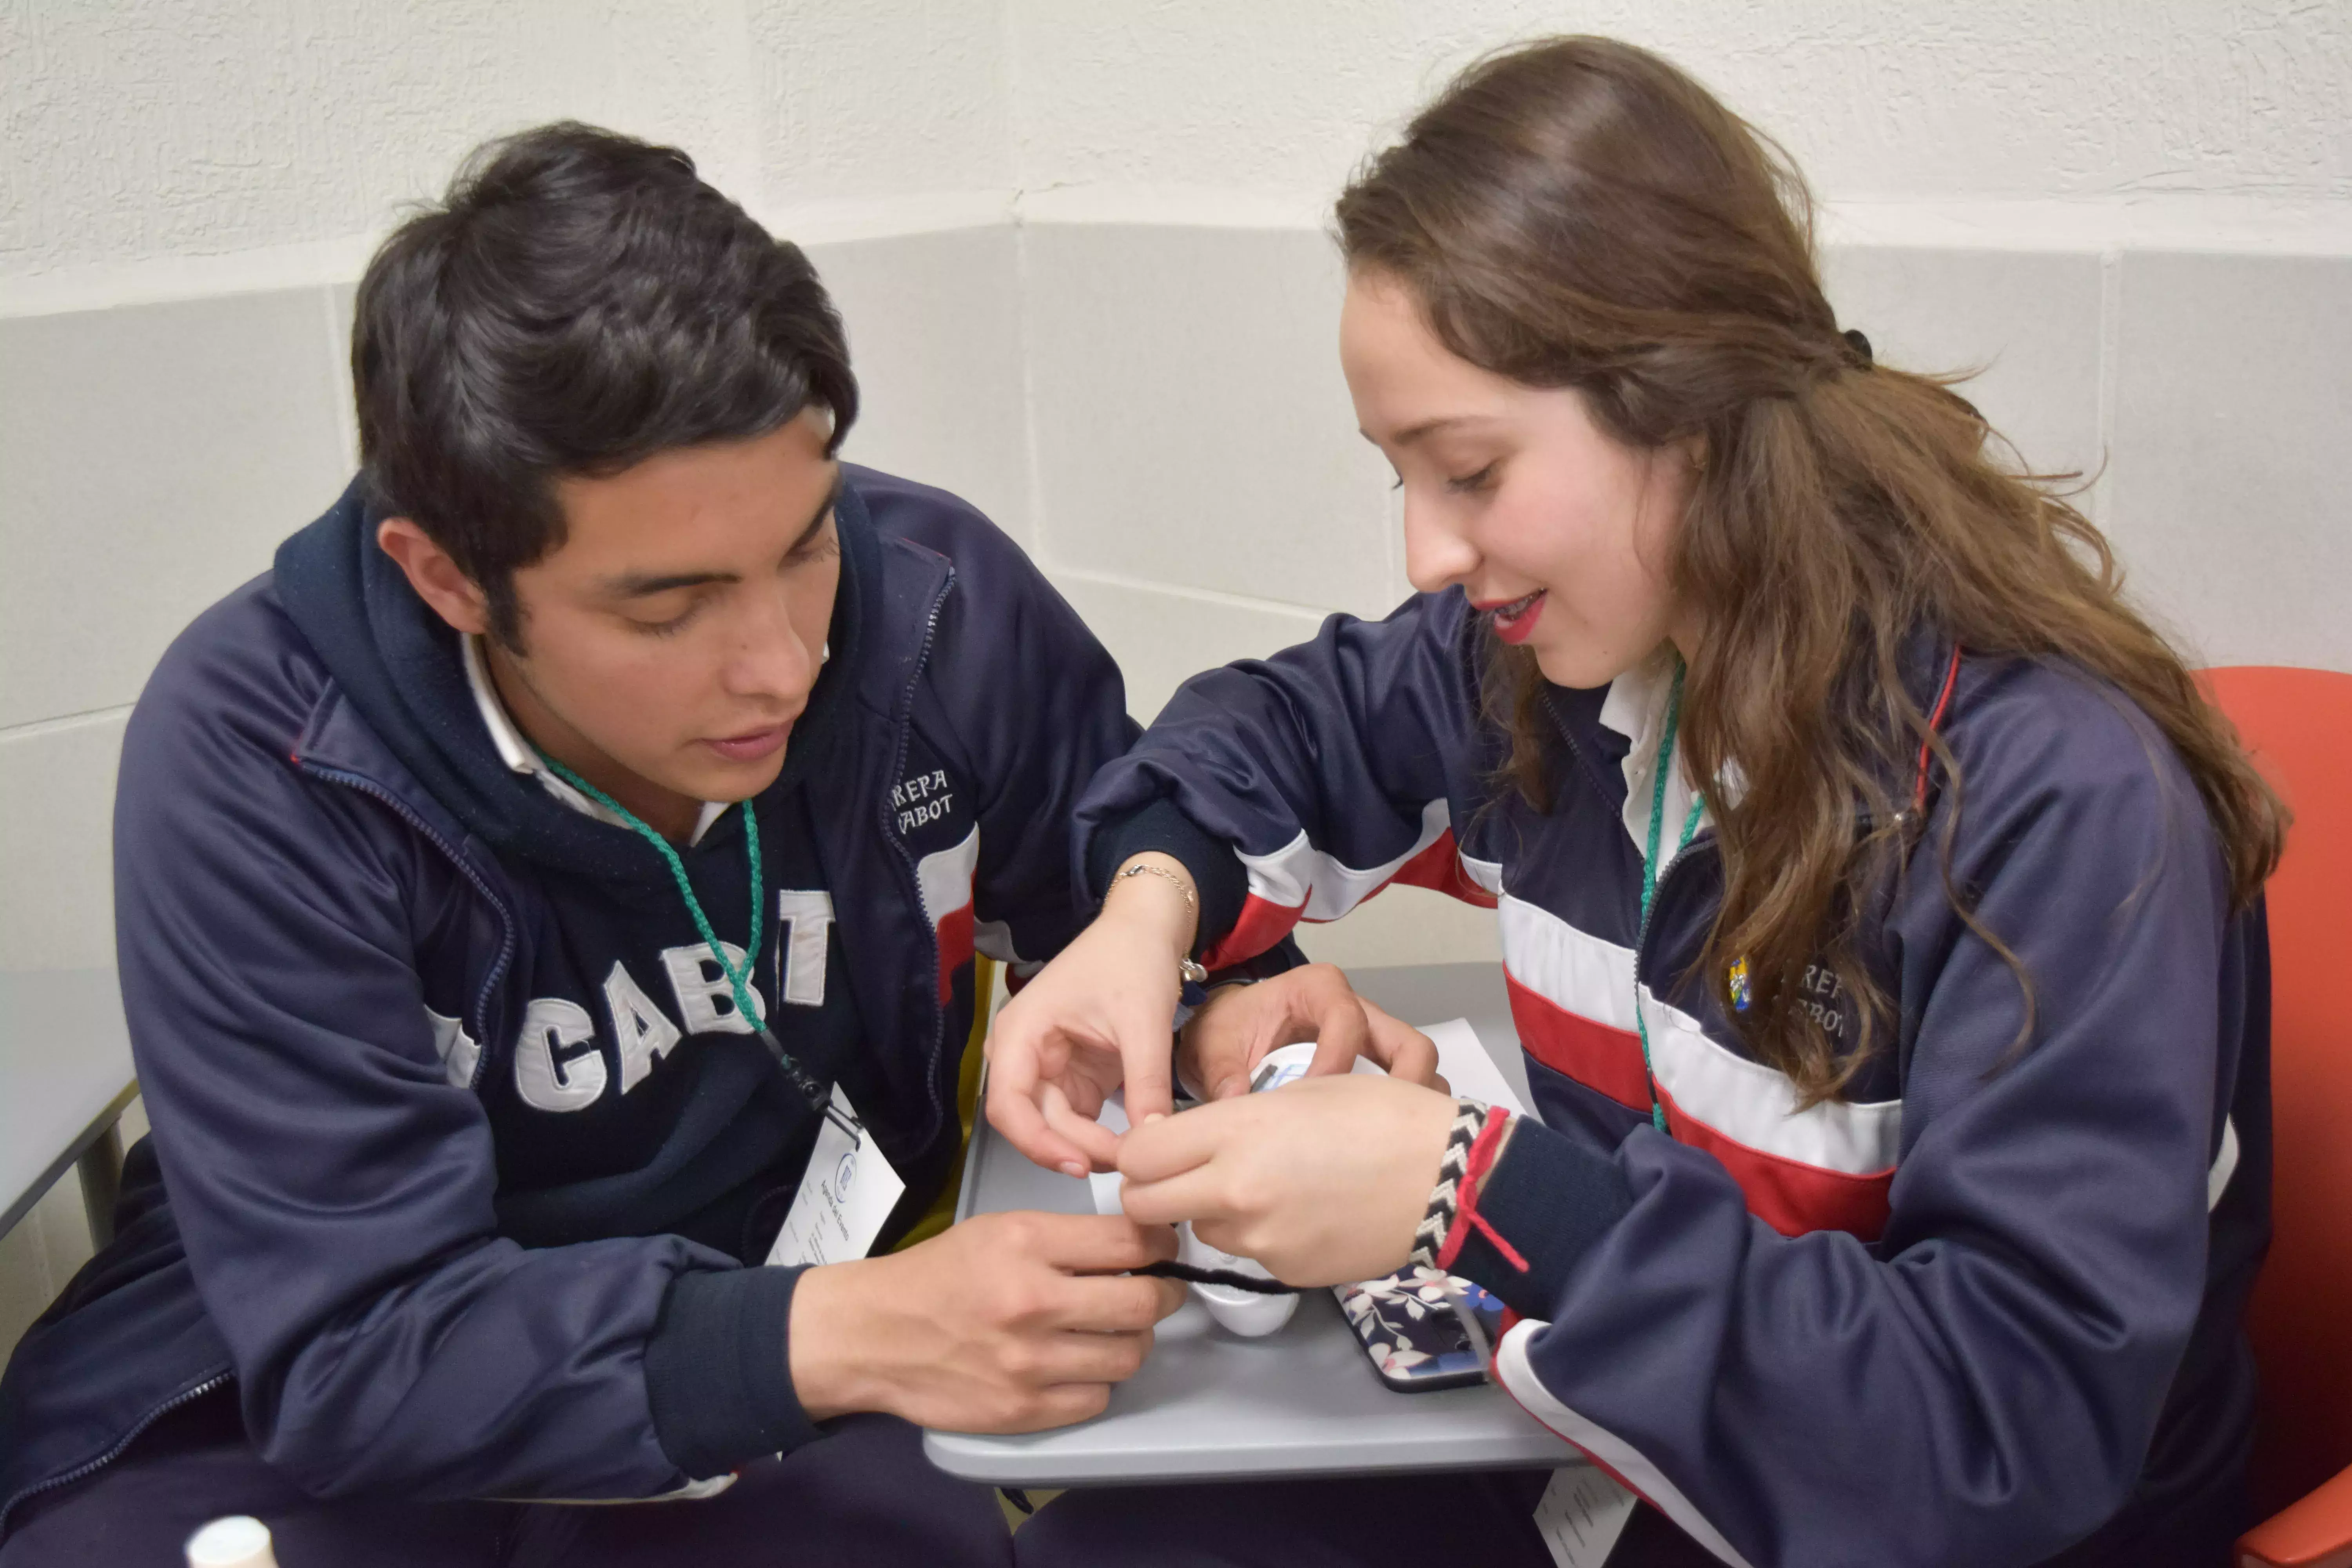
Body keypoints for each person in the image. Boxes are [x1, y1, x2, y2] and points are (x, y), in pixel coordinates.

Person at [991, 36, 2282, 1568]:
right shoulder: (1548, 667)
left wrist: (1471, 1193)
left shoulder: (2055, 797)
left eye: (1468, 470)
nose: (1425, 553)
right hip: (1624, 1456)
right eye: (1397, 474)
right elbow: (1272, 731)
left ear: (1692, 410)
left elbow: (2000, 1431)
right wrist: (1153, 917)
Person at [0, 123, 1194, 1566]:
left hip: (777, 1345)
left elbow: (1124, 893)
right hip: (294, 1391)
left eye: (807, 542)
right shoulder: (260, 754)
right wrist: (833, 1330)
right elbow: (357, 1352)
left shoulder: (935, 606)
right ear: (449, 577)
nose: (783, 664)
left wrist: (1231, 993)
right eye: (665, 608)